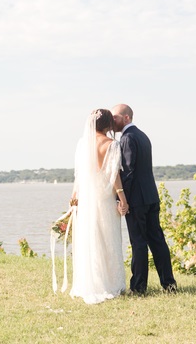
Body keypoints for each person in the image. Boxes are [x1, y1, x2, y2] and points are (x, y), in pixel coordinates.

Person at [112, 103, 178, 294]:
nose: (112, 120)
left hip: (137, 200)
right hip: (151, 196)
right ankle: (169, 284)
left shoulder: (127, 138)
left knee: (139, 242)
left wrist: (122, 198)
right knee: (157, 240)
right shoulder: (143, 136)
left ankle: (139, 287)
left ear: (126, 117)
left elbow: (129, 171)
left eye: (115, 116)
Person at [67, 108, 129, 304]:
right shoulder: (111, 145)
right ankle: (108, 283)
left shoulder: (81, 144)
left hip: (86, 200)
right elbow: (114, 176)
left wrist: (74, 199)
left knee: (90, 239)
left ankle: (91, 282)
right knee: (106, 239)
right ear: (109, 125)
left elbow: (79, 176)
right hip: (103, 199)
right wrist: (123, 198)